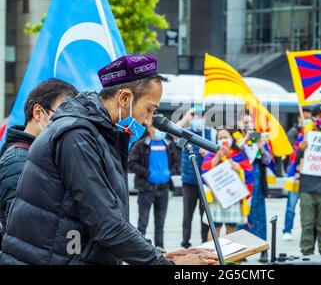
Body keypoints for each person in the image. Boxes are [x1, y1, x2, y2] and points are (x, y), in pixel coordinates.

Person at [0, 55, 217, 265]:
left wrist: (158, 254)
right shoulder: (78, 135)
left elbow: (111, 216)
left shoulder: (99, 132)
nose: (149, 120)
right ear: (124, 98)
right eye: (149, 110)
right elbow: (105, 223)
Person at [0, 79, 78, 249]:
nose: (68, 124)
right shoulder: (18, 161)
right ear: (38, 112)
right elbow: (22, 230)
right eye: (63, 115)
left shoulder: (43, 154)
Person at [292, 104, 321, 261]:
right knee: (307, 224)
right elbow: (293, 161)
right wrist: (301, 149)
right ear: (313, 118)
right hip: (307, 187)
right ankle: (307, 255)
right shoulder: (305, 135)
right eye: (320, 116)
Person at [128, 125, 180, 248]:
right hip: (146, 189)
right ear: (150, 129)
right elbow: (131, 162)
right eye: (157, 128)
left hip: (164, 189)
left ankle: (160, 251)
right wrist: (147, 173)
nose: (160, 131)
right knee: (142, 224)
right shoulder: (141, 144)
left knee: (160, 224)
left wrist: (170, 172)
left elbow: (176, 162)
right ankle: (140, 250)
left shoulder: (168, 144)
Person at [234, 113, 273, 263]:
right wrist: (245, 139)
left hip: (257, 178)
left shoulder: (260, 138)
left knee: (259, 214)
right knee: (243, 214)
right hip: (242, 179)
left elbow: (267, 160)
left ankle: (262, 249)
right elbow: (234, 153)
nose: (248, 124)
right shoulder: (236, 138)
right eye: (245, 122)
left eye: (250, 122)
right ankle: (241, 250)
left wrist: (262, 148)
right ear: (239, 124)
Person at [201, 128, 254, 239]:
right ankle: (213, 254)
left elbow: (247, 172)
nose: (223, 140)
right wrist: (218, 157)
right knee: (215, 228)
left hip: (233, 196)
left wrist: (231, 161)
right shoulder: (211, 154)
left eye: (225, 137)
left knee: (231, 229)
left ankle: (229, 255)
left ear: (232, 139)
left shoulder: (239, 154)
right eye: (220, 138)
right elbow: (205, 171)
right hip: (217, 196)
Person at [177, 106, 212, 249]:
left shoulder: (210, 133)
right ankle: (185, 243)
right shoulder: (185, 133)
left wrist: (208, 152)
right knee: (187, 215)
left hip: (205, 182)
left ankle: (205, 242)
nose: (197, 119)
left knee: (205, 215)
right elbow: (172, 131)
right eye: (194, 116)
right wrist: (186, 118)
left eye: (199, 116)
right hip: (189, 181)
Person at [283, 108, 312, 241]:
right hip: (296, 175)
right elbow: (291, 152)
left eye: (308, 118)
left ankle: (307, 232)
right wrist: (300, 147)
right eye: (303, 118)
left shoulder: (315, 134)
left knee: (307, 208)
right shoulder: (295, 133)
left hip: (310, 177)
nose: (305, 121)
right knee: (291, 206)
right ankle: (287, 230)